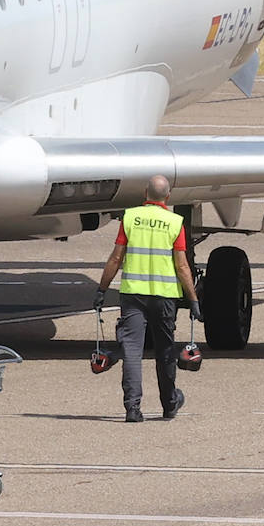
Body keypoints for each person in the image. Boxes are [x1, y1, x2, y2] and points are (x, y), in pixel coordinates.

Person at [93, 175, 202, 423]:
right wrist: (193, 299)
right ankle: (169, 404)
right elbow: (182, 266)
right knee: (165, 351)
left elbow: (116, 258)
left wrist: (102, 289)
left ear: (145, 193)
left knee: (132, 352)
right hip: (165, 297)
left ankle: (132, 408)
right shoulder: (174, 222)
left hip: (133, 294)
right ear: (168, 196)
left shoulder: (130, 218)